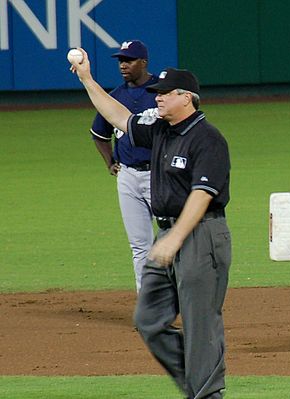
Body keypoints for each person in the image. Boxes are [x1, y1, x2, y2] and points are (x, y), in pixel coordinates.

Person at [69, 51, 231, 399]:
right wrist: (86, 79)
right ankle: (197, 381)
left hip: (201, 236)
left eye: (165, 92)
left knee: (201, 324)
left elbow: (202, 196)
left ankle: (207, 393)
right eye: (157, 90)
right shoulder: (160, 129)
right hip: (169, 235)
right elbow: (119, 117)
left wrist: (174, 240)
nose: (157, 96)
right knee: (148, 320)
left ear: (186, 97)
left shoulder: (208, 139)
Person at [90, 40, 158, 293]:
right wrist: (110, 162)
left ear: (144, 62)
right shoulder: (116, 96)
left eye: (128, 60)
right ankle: (148, 307)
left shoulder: (162, 92)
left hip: (160, 176)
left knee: (174, 239)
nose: (123, 65)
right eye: (120, 61)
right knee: (140, 246)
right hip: (128, 176)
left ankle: (180, 299)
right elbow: (99, 134)